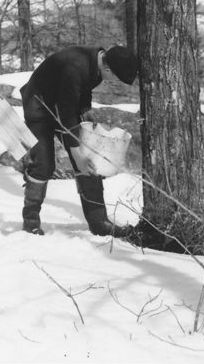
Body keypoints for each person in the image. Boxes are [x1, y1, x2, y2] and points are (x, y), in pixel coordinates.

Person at [19, 44, 139, 237]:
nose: (113, 82)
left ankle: (100, 223)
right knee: (44, 164)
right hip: (39, 106)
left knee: (90, 159)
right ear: (107, 68)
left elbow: (82, 89)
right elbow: (66, 110)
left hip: (61, 104)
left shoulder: (96, 61)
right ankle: (30, 222)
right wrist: (76, 152)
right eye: (115, 78)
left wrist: (85, 109)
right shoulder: (75, 66)